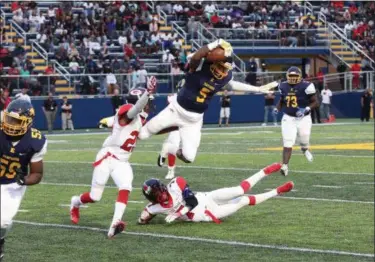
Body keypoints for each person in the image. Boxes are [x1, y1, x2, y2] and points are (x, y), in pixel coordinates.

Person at [138, 39, 278, 164]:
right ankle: (134, 122)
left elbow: (232, 85)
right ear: (215, 61)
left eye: (225, 69)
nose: (223, 71)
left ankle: (176, 130)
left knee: (189, 157)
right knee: (142, 134)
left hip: (195, 119)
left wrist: (258, 89)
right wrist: (215, 43)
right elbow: (196, 56)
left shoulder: (225, 76)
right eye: (221, 67)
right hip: (177, 109)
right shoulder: (201, 65)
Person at [70, 83, 156, 239]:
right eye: (147, 101)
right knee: (95, 197)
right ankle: (75, 202)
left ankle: (114, 225)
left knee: (126, 186)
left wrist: (106, 121)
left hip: (122, 161)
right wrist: (147, 92)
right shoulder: (128, 111)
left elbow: (118, 120)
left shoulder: (139, 116)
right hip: (107, 157)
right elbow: (133, 111)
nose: (149, 104)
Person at [137, 163, 294, 225]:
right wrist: (143, 219)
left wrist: (179, 212)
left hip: (206, 198)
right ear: (152, 198)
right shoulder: (154, 207)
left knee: (239, 190)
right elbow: (144, 217)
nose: (161, 194)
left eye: (160, 189)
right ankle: (277, 191)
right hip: (208, 214)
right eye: (156, 193)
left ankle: (264, 171)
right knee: (243, 200)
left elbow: (191, 202)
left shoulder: (176, 184)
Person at [0, 99, 47, 260]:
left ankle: (0, 241)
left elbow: (37, 174)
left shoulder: (35, 140)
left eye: (17, 121)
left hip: (12, 184)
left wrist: (24, 181)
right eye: (9, 119)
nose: (11, 124)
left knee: (3, 222)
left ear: (28, 122)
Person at [274, 67, 319, 176]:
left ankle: (305, 149)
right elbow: (282, 100)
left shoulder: (307, 86)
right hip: (288, 118)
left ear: (300, 76)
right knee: (288, 142)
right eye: (291, 76)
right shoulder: (283, 86)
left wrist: (307, 109)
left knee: (304, 139)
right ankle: (285, 165)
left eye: (295, 76)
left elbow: (315, 102)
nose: (293, 79)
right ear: (287, 76)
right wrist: (278, 108)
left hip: (304, 118)